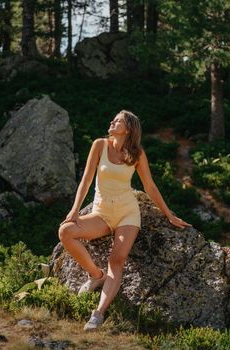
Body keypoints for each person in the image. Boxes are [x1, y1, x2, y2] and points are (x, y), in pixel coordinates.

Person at [57, 110, 192, 332]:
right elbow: (87, 179)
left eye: (118, 121)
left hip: (127, 214)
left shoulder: (137, 154)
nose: (112, 122)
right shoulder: (99, 145)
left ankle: (98, 314)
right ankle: (96, 275)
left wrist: (169, 214)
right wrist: (74, 211)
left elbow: (149, 186)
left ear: (128, 128)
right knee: (66, 232)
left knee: (117, 259)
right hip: (101, 214)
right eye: (113, 119)